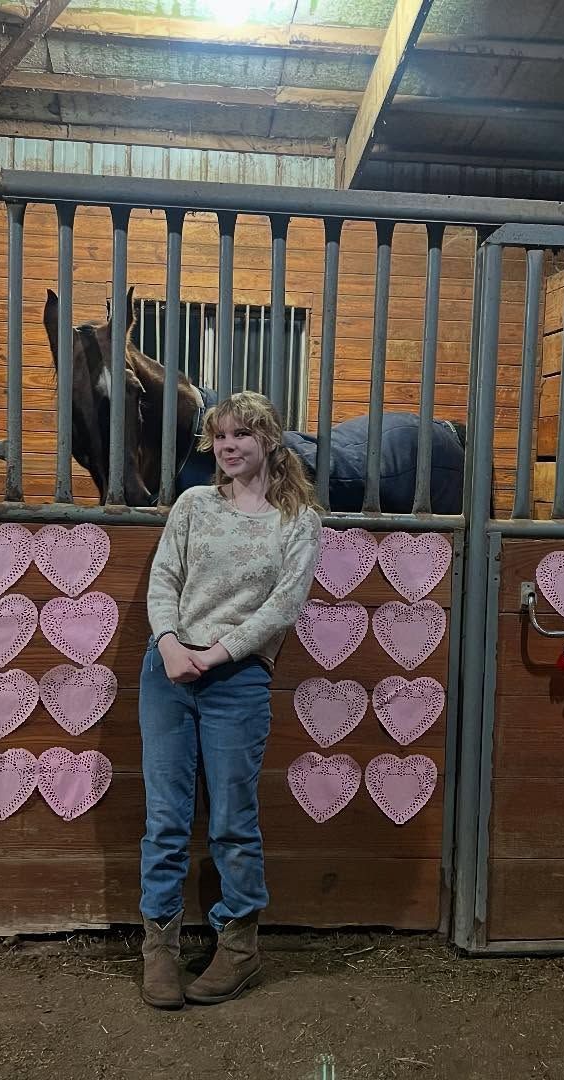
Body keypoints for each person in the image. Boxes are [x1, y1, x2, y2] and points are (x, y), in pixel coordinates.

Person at [138, 390, 323, 1009]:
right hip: (168, 669)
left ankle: (239, 946)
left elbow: (283, 606)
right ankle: (159, 947)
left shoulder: (296, 519)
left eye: (241, 435)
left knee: (231, 822)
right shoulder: (194, 504)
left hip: (235, 676)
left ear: (269, 439)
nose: (229, 447)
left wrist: (216, 655)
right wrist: (168, 645)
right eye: (220, 438)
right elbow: (165, 577)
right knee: (165, 817)